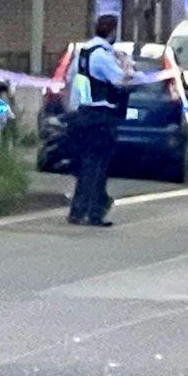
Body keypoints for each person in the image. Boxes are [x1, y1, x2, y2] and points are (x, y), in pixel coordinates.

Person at [66, 14, 133, 228]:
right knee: (98, 166)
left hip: (83, 113)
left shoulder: (82, 53)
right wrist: (125, 64)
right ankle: (94, 211)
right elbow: (120, 81)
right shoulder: (103, 56)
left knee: (86, 164)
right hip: (101, 116)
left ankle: (78, 210)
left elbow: (70, 79)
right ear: (113, 32)